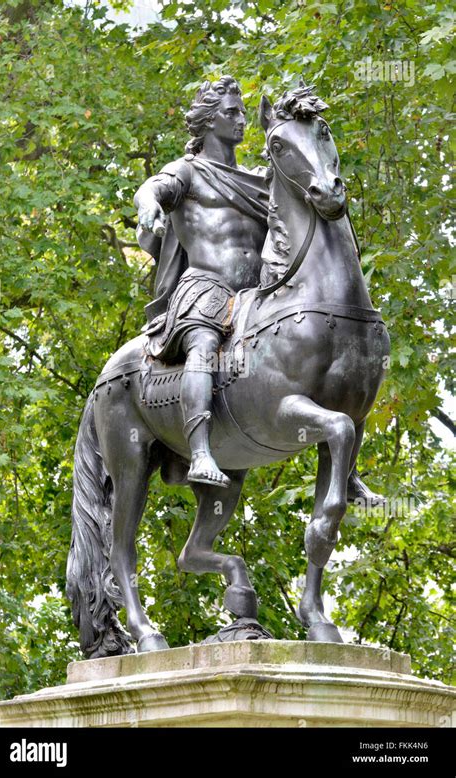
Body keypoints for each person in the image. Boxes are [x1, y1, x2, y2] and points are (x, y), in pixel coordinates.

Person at [134, 76, 269, 488]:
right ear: (209, 122)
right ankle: (200, 452)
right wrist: (147, 205)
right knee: (204, 345)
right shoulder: (188, 172)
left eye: (243, 111)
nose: (242, 120)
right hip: (207, 286)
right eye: (231, 113)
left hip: (257, 294)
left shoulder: (258, 178)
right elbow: (153, 187)